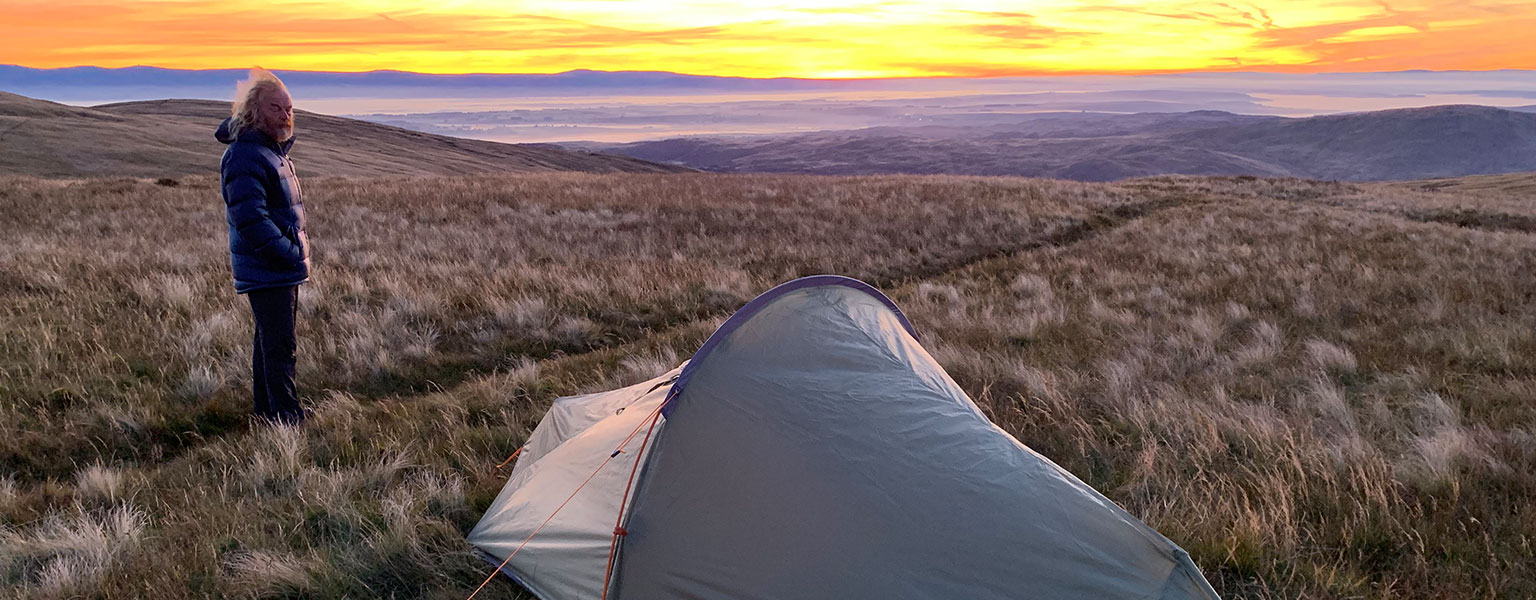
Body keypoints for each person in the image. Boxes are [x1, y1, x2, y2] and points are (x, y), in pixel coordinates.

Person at [215, 67, 308, 424]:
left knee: (270, 343)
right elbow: (250, 218)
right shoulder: (246, 155)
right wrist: (287, 252)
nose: (285, 115)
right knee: (279, 345)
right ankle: (286, 416)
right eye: (276, 108)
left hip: (277, 265)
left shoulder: (270, 151)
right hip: (269, 266)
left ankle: (269, 412)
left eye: (288, 108)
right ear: (254, 111)